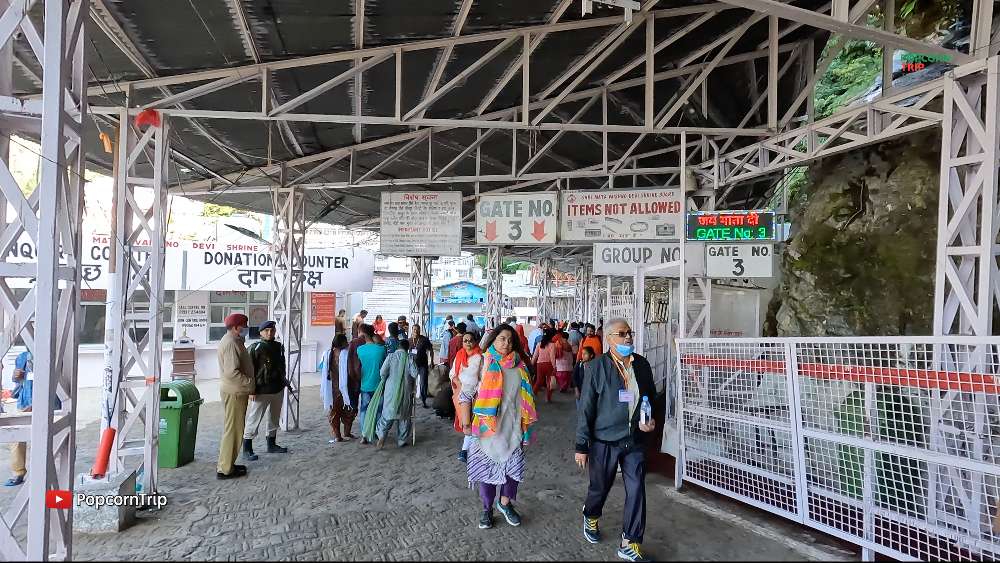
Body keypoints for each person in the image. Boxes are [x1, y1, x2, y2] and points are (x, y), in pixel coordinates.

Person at [575, 319, 656, 563]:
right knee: (600, 487)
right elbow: (586, 408)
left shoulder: (641, 365)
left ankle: (630, 542)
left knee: (636, 489)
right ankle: (591, 514)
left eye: (629, 333)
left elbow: (650, 397)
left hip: (634, 440)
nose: (628, 338)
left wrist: (650, 420)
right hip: (604, 440)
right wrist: (581, 445)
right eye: (622, 334)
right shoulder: (597, 367)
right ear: (609, 338)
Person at [457, 324, 538, 530]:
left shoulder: (520, 367)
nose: (506, 343)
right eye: (502, 339)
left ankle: (505, 503)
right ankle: (487, 509)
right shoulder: (482, 362)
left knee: (513, 469)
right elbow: (465, 394)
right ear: (493, 340)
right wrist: (466, 423)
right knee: (486, 470)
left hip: (513, 428)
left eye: (510, 340)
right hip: (486, 430)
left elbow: (524, 399)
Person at [242, 320, 289, 461]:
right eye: (266, 330)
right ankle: (247, 449)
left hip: (277, 388)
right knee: (254, 419)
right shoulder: (255, 348)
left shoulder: (278, 346)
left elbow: (282, 366)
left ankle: (271, 444)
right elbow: (249, 370)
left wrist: (284, 380)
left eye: (272, 330)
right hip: (261, 390)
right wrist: (251, 390)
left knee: (274, 419)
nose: (270, 333)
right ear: (261, 332)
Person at [217, 313, 254, 480]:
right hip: (235, 391)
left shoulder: (235, 340)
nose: (246, 328)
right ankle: (225, 469)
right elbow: (232, 372)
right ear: (235, 327)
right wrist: (249, 383)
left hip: (235, 391)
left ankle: (228, 464)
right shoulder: (231, 343)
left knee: (233, 428)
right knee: (233, 430)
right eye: (243, 326)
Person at [376, 339, 417, 448]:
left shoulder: (390, 357)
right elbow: (415, 373)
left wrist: (386, 378)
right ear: (407, 348)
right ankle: (401, 441)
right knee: (404, 416)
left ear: (398, 347)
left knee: (387, 414)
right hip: (405, 390)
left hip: (390, 390)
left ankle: (381, 436)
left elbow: (382, 372)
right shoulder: (409, 358)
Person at [451, 331, 482, 463]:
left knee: (474, 423)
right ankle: (465, 451)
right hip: (462, 392)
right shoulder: (459, 355)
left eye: (470, 340)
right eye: (465, 341)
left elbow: (482, 376)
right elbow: (452, 373)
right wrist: (456, 381)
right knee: (466, 423)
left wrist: (479, 391)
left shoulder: (480, 357)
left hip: (476, 392)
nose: (468, 343)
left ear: (475, 342)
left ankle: (466, 451)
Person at [356, 327, 387, 445]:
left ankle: (364, 435)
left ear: (363, 334)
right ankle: (377, 433)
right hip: (379, 385)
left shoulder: (360, 350)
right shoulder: (381, 349)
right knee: (379, 410)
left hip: (365, 385)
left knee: (364, 410)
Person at [323, 333, 355, 442]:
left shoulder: (328, 353)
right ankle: (347, 432)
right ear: (342, 343)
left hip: (332, 389)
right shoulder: (346, 354)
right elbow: (350, 371)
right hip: (345, 387)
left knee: (334, 413)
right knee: (348, 411)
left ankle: (338, 436)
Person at [531, 328, 560, 403]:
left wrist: (531, 364)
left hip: (539, 365)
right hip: (549, 364)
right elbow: (552, 357)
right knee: (549, 382)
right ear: (551, 336)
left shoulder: (539, 344)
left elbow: (535, 356)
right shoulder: (552, 345)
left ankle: (531, 396)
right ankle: (548, 398)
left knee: (539, 381)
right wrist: (555, 366)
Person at [411, 325, 433, 408]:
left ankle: (423, 401)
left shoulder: (424, 339)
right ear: (412, 330)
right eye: (414, 329)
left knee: (423, 383)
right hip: (412, 366)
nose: (415, 331)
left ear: (420, 330)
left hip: (423, 365)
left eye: (417, 329)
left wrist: (432, 361)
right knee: (411, 383)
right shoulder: (409, 340)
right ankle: (411, 400)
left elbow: (431, 349)